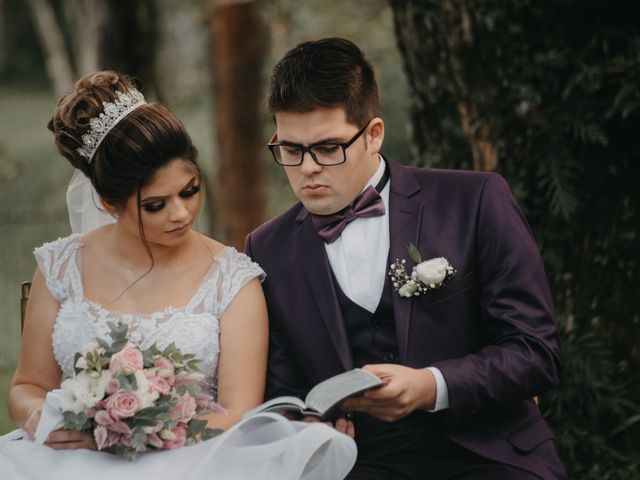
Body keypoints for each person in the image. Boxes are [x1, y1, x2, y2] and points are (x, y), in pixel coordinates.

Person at [0, 70, 356, 479]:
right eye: (155, 204)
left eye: (189, 190)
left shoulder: (232, 278)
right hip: (67, 459)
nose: (181, 213)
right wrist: (47, 420)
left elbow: (239, 411)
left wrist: (137, 431)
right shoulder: (61, 265)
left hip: (196, 459)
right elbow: (26, 386)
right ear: (108, 202)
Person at [245, 37, 566, 479]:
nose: (307, 168)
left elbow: (535, 352)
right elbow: (282, 390)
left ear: (373, 134)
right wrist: (310, 428)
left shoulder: (473, 201)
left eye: (327, 147)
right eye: (290, 149)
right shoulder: (267, 248)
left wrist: (430, 384)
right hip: (360, 464)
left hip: (488, 455)